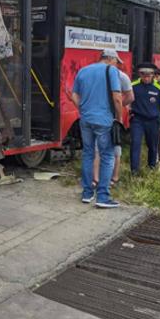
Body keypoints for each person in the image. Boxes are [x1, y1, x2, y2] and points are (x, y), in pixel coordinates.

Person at [71, 49, 123, 208]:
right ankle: (103, 197)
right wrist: (118, 118)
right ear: (110, 59)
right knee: (107, 156)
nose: (117, 64)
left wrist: (83, 110)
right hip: (104, 119)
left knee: (88, 153)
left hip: (85, 119)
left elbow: (74, 95)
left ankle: (87, 194)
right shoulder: (111, 71)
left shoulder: (83, 70)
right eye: (116, 61)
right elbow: (117, 97)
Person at [93, 64, 134, 188]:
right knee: (116, 149)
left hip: (99, 115)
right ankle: (114, 178)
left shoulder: (95, 74)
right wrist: (120, 110)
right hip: (114, 116)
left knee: (97, 149)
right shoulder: (122, 76)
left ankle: (95, 179)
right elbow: (130, 97)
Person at [129, 64, 160, 174]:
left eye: (149, 75)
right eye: (143, 75)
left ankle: (151, 166)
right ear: (140, 74)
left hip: (153, 121)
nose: (146, 78)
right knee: (135, 143)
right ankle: (134, 171)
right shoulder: (133, 85)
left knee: (152, 145)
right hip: (137, 120)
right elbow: (126, 100)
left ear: (153, 75)